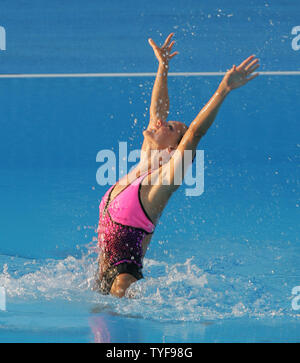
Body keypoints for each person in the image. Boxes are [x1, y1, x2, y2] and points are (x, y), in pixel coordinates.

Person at [95, 33, 260, 297]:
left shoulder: (160, 183)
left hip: (123, 283)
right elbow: (157, 111)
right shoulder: (147, 160)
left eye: (169, 127)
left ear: (172, 149)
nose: (160, 123)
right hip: (102, 278)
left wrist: (223, 90)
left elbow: (194, 134)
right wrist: (163, 68)